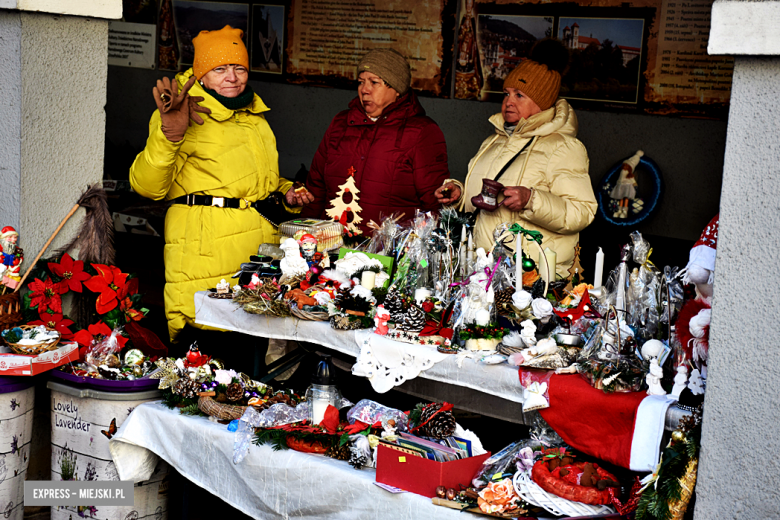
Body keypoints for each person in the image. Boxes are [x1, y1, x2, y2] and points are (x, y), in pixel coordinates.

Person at [130, 25, 312, 342]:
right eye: (220, 69)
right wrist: (168, 135)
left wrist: (285, 191)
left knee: (245, 364)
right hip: (205, 253)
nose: (232, 77)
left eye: (238, 68)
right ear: (201, 75)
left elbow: (249, 182)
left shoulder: (252, 113)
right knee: (204, 357)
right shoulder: (181, 111)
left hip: (255, 251)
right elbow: (147, 186)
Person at [436, 39, 597, 278]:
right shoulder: (494, 141)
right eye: (507, 93)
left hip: (532, 277)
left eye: (519, 95)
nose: (508, 101)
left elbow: (582, 211)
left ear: (541, 102)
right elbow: (485, 203)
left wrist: (532, 200)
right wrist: (459, 197)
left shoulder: (564, 147)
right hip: (486, 270)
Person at [301, 48, 450, 235]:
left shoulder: (422, 132)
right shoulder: (340, 124)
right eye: (361, 82)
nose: (364, 90)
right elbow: (316, 188)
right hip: (332, 248)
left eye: (374, 82)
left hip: (388, 255)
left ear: (396, 89)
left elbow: (435, 204)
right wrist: (305, 238)